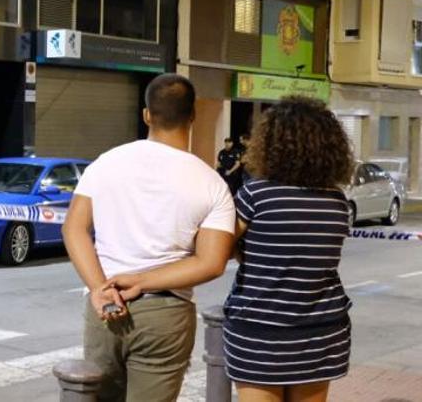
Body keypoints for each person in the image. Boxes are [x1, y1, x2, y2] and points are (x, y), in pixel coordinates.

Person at [63, 73, 236, 402]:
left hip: (105, 306)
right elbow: (212, 262)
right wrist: (143, 281)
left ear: (146, 115)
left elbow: (74, 228)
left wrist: (99, 288)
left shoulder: (105, 164)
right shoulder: (211, 182)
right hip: (166, 312)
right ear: (192, 115)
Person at [223, 97, 353, 402]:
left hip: (259, 331)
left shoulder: (255, 195)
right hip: (321, 331)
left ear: (270, 143)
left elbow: (223, 248)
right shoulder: (337, 201)